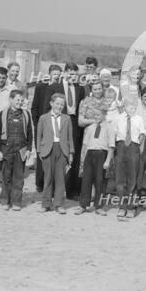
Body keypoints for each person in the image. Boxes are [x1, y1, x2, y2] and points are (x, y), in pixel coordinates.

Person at [0, 89, 33, 211]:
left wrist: (29, 149)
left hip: (21, 149)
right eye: (17, 100)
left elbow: (31, 133)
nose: (20, 102)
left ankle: (16, 202)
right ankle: (5, 200)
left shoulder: (26, 114)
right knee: (6, 175)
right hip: (6, 149)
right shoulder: (3, 114)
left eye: (22, 100)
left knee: (19, 177)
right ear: (11, 100)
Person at [36, 93, 74, 214]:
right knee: (48, 178)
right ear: (51, 103)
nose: (59, 106)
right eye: (57, 103)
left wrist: (71, 153)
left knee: (60, 178)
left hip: (62, 149)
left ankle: (59, 204)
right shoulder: (43, 118)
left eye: (62, 104)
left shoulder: (67, 119)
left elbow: (70, 138)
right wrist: (39, 151)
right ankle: (46, 203)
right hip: (47, 149)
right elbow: (39, 136)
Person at [74, 106, 115, 216]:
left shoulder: (109, 128)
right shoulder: (90, 128)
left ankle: (99, 206)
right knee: (86, 180)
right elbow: (85, 144)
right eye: (94, 115)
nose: (96, 117)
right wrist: (83, 159)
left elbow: (111, 146)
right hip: (90, 155)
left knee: (100, 181)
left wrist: (107, 160)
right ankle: (83, 205)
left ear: (104, 115)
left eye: (98, 115)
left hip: (102, 154)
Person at [31, 64, 62, 192]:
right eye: (54, 74)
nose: (56, 76)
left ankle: (51, 184)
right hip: (42, 124)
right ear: (49, 74)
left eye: (58, 75)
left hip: (55, 125)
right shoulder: (41, 86)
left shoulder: (60, 88)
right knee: (41, 154)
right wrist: (37, 124)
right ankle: (40, 182)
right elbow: (35, 107)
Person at [113, 99, 146, 219]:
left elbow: (142, 133)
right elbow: (114, 133)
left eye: (133, 106)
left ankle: (132, 207)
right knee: (120, 178)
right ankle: (122, 206)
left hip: (133, 146)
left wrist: (138, 147)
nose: (131, 108)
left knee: (133, 178)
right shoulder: (118, 118)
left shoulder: (139, 119)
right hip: (121, 146)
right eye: (129, 106)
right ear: (124, 107)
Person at [61, 62, 84, 199]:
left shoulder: (79, 89)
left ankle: (72, 191)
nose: (72, 76)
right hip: (61, 121)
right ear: (65, 73)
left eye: (75, 74)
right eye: (70, 73)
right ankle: (55, 190)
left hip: (74, 122)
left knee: (74, 156)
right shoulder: (55, 87)